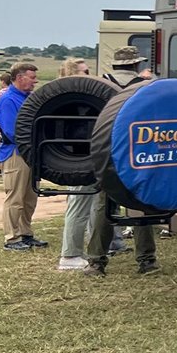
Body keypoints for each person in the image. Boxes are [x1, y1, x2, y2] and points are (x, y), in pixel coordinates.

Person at [83, 47, 161, 276]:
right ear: (136, 65)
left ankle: (96, 262)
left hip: (106, 155)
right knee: (141, 207)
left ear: (115, 65)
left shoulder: (98, 85)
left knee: (103, 207)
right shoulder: (146, 87)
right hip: (138, 155)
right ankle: (147, 261)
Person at [0, 62, 47, 251]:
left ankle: (26, 233)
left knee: (29, 197)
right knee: (15, 197)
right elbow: (10, 131)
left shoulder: (28, 98)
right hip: (15, 153)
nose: (35, 81)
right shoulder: (8, 100)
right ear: (19, 77)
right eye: (32, 77)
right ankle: (12, 238)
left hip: (30, 153)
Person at [56, 58, 97, 271]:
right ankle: (70, 255)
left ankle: (94, 247)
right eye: (85, 71)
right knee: (78, 203)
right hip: (77, 158)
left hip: (87, 156)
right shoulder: (67, 99)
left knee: (91, 203)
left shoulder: (76, 97)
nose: (90, 74)